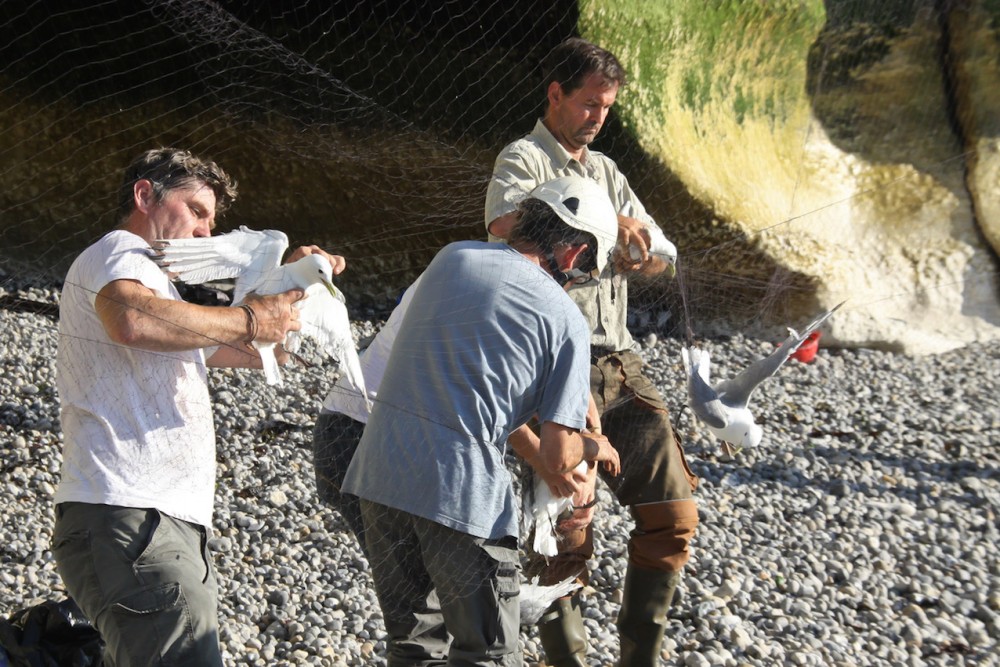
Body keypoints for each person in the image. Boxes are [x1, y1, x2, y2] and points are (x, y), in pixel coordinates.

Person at [52, 147, 346, 666]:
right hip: (133, 515)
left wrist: (294, 284)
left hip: (152, 520)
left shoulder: (160, 287)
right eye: (196, 211)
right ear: (145, 195)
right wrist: (252, 318)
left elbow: (254, 351)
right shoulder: (120, 250)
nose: (207, 232)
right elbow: (133, 320)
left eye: (213, 219)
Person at [341, 176, 622, 665]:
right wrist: (595, 446)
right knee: (486, 652)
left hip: (379, 475)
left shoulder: (452, 258)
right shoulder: (565, 318)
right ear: (574, 255)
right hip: (460, 496)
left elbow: (464, 382)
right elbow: (559, 454)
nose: (577, 283)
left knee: (413, 645)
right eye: (586, 274)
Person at [485, 38, 700, 666]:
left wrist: (642, 250)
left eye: (606, 107)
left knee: (672, 515)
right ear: (555, 94)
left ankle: (639, 660)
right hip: (557, 363)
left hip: (622, 363)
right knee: (565, 531)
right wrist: (606, 224)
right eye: (587, 103)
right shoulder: (523, 158)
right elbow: (503, 224)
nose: (597, 117)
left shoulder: (608, 169)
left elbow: (664, 253)